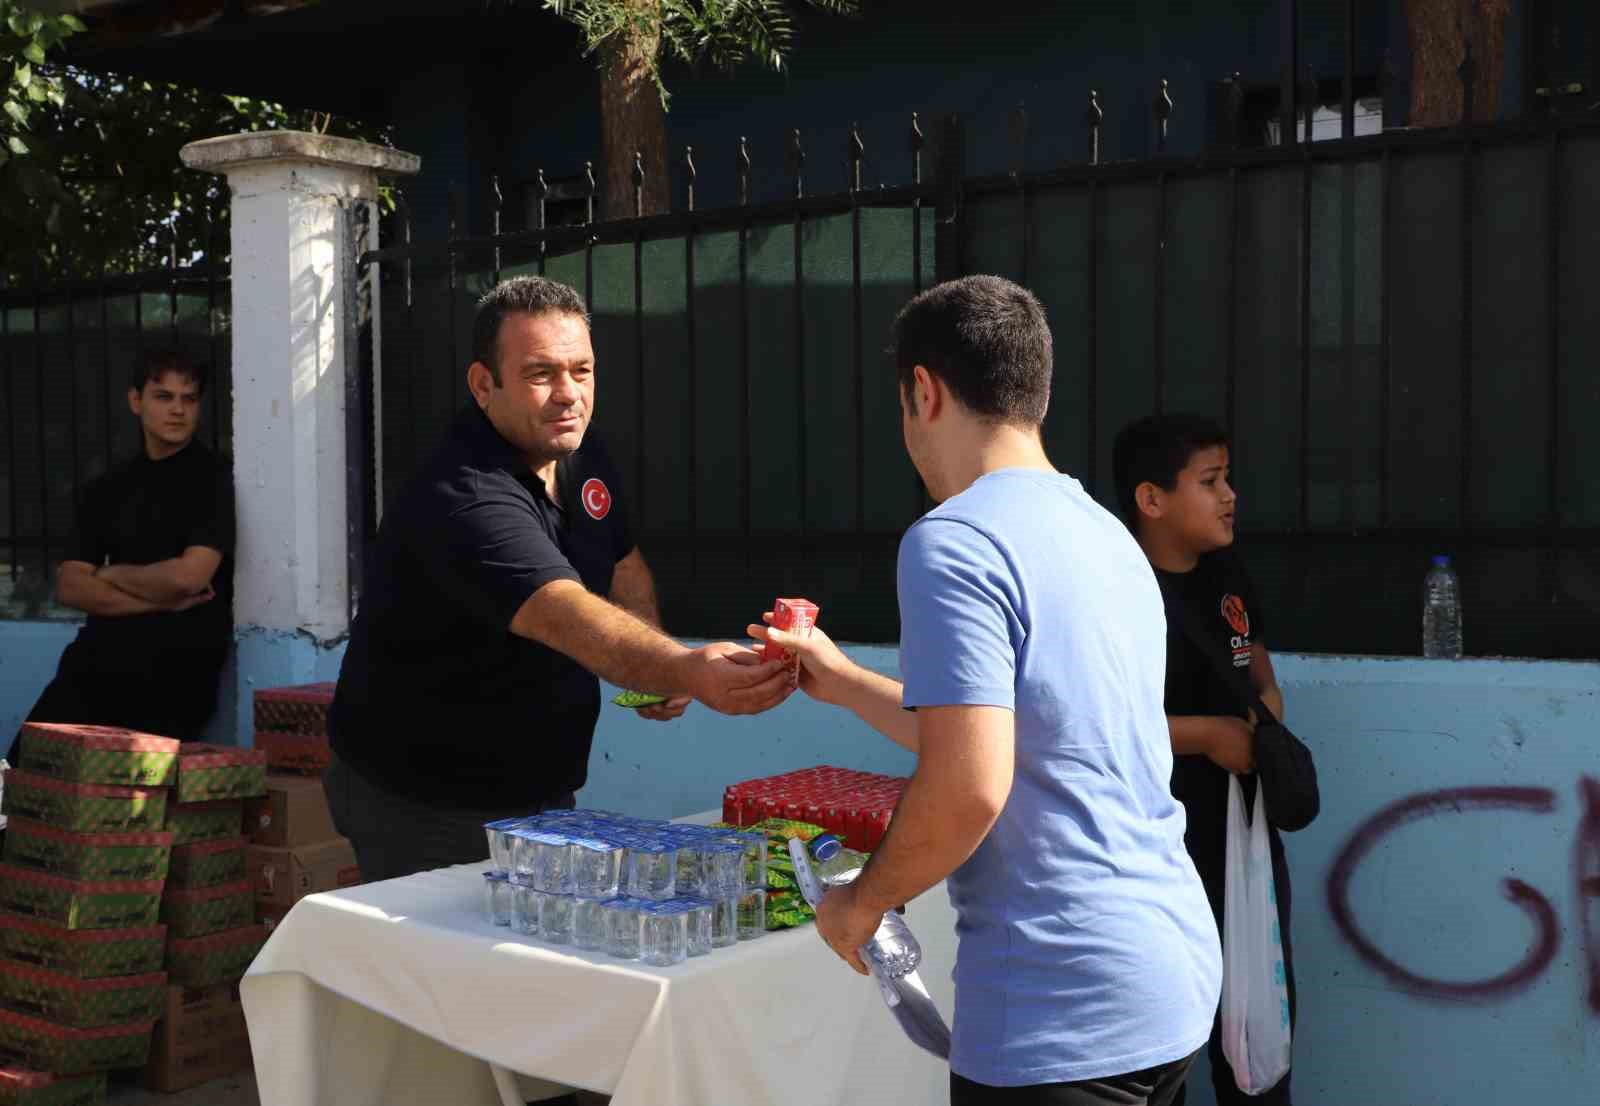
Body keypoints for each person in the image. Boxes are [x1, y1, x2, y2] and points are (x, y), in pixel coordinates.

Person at [749, 276, 1221, 1106]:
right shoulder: (1106, 534)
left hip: (1062, 1007)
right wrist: (847, 681)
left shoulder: (954, 541)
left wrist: (863, 903)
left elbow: (969, 785)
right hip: (1170, 978)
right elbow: (1026, 736)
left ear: (924, 392)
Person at [328, 275, 792, 884]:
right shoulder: (465, 493)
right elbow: (563, 612)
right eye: (541, 374)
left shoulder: (576, 450)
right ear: (483, 384)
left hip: (538, 789)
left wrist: (655, 660)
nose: (568, 394)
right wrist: (684, 669)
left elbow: (621, 560)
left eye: (582, 370)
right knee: (458, 972)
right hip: (424, 803)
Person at [1111, 413, 1295, 1106]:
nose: (1230, 496)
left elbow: (1262, 675)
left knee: (1259, 1037)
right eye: (1210, 481)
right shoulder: (1117, 588)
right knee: (1166, 1045)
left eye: (1228, 479)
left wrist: (1261, 720)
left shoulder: (1227, 572)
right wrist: (1212, 736)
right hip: (1156, 846)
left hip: (1243, 836)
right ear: (1151, 500)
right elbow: (1100, 724)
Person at [12, 349, 233, 749]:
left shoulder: (214, 479)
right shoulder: (109, 488)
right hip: (95, 664)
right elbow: (71, 586)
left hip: (175, 673)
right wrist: (158, 600)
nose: (178, 410)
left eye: (189, 398)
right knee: (25, 775)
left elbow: (187, 578)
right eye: (163, 396)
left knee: (124, 802)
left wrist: (112, 573)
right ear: (136, 401)